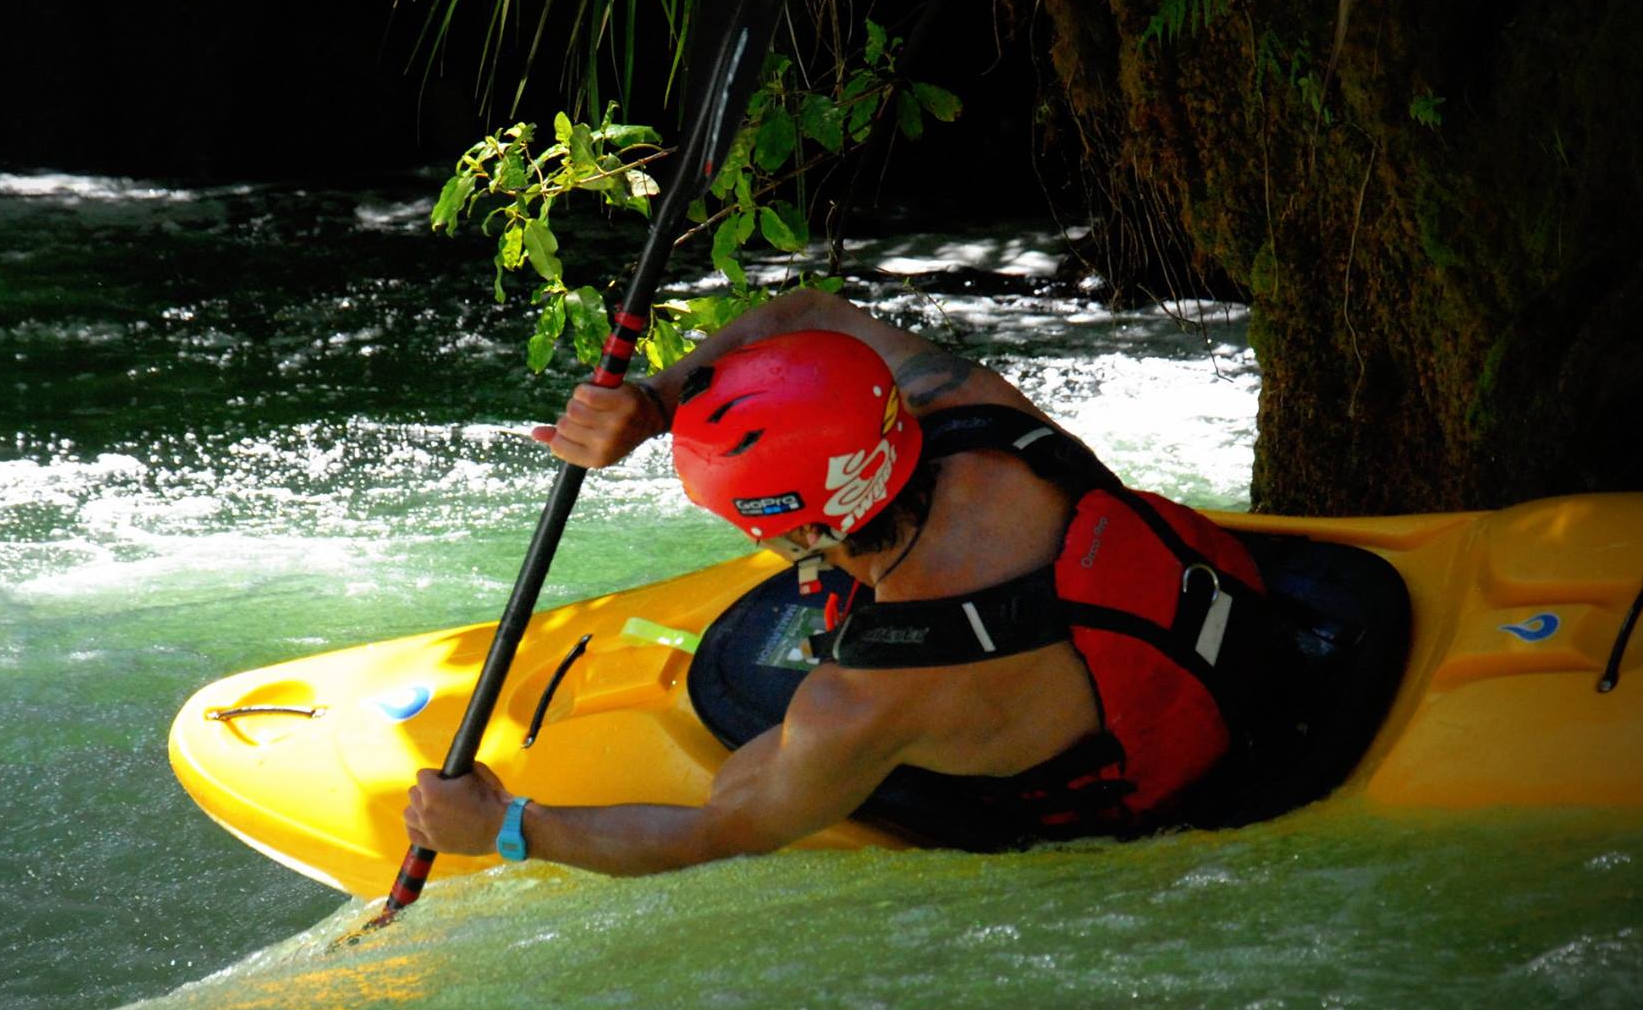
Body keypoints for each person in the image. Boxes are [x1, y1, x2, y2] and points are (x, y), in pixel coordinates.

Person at [405, 288, 1270, 873]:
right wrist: (657, 403)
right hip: (1226, 622)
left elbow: (725, 828)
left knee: (740, 770)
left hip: (1150, 782)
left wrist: (507, 828)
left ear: (813, 530)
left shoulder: (864, 702)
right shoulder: (973, 406)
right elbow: (810, 313)